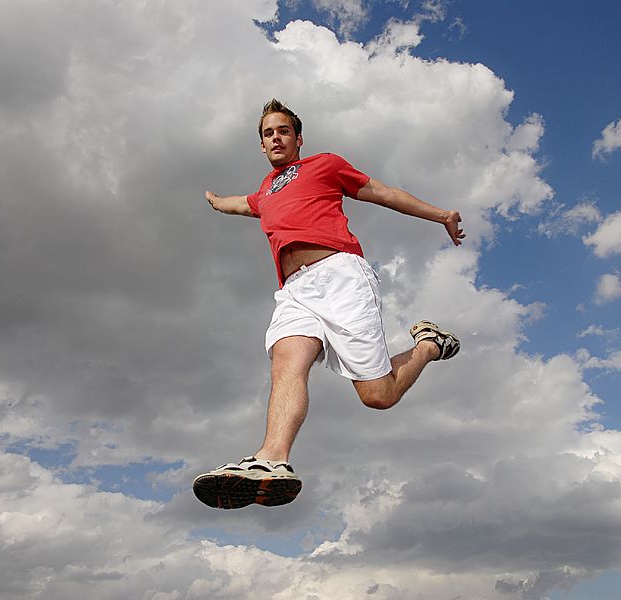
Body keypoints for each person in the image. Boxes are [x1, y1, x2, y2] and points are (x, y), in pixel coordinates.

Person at [193, 99, 465, 509]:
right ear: (262, 146)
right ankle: (272, 459)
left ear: (298, 138)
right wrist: (214, 201)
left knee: (378, 396)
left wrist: (442, 214)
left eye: (283, 130)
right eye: (268, 134)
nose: (276, 138)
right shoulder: (265, 192)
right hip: (294, 291)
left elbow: (385, 193)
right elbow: (240, 204)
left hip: (340, 276)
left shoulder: (324, 165)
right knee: (286, 361)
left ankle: (428, 344)